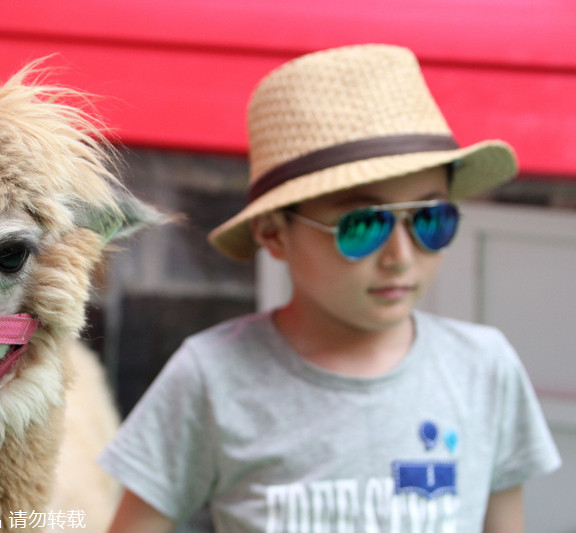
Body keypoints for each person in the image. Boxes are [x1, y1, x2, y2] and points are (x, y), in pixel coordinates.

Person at [99, 44, 561, 533]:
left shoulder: (483, 368)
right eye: (363, 226)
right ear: (275, 234)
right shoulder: (211, 377)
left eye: (430, 219)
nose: (401, 256)